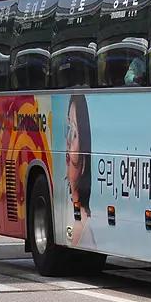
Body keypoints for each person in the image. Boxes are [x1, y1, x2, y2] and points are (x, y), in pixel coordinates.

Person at [66, 94, 95, 247]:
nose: (68, 141)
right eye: (68, 129)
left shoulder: (80, 226)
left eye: (75, 133)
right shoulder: (78, 220)